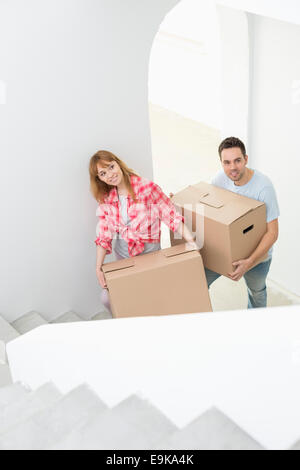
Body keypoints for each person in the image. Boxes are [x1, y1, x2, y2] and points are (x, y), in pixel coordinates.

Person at [89, 150, 198, 315]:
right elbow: (104, 233)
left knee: (154, 298)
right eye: (103, 174)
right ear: (100, 179)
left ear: (118, 163)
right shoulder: (107, 198)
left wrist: (191, 241)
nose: (110, 175)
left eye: (111, 167)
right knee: (107, 299)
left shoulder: (146, 188)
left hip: (150, 257)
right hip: (124, 259)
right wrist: (98, 267)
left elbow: (170, 215)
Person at [206, 136, 280, 309]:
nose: (233, 167)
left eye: (237, 160)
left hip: (258, 257)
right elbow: (209, 208)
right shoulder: (219, 180)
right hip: (228, 251)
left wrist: (250, 261)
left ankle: (256, 327)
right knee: (199, 281)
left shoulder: (263, 187)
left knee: (257, 293)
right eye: (227, 162)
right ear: (221, 163)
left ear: (246, 159)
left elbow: (273, 232)